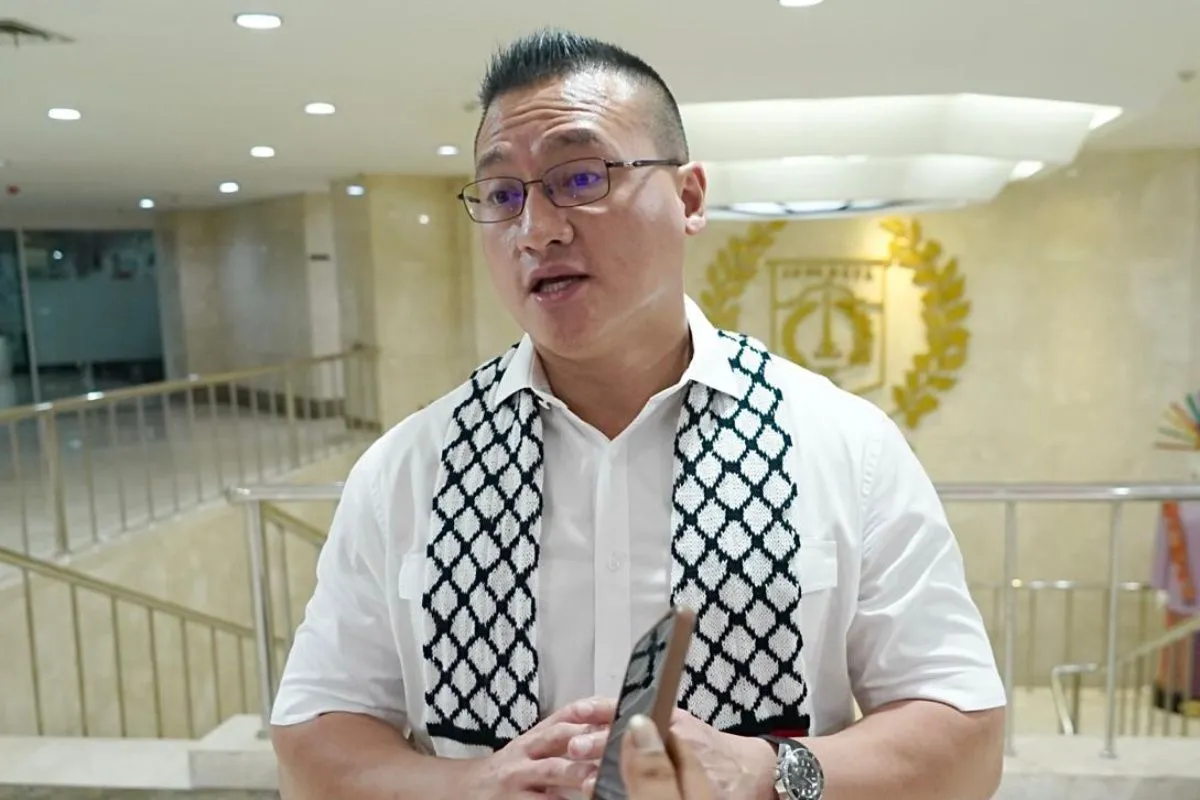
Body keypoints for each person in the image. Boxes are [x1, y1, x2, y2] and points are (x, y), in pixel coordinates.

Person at [270, 28, 1007, 800]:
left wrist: (765, 771)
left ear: (689, 199)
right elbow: (313, 740)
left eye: (581, 178)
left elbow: (966, 738)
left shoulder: (844, 447)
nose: (537, 229)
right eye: (503, 195)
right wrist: (467, 786)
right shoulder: (407, 470)